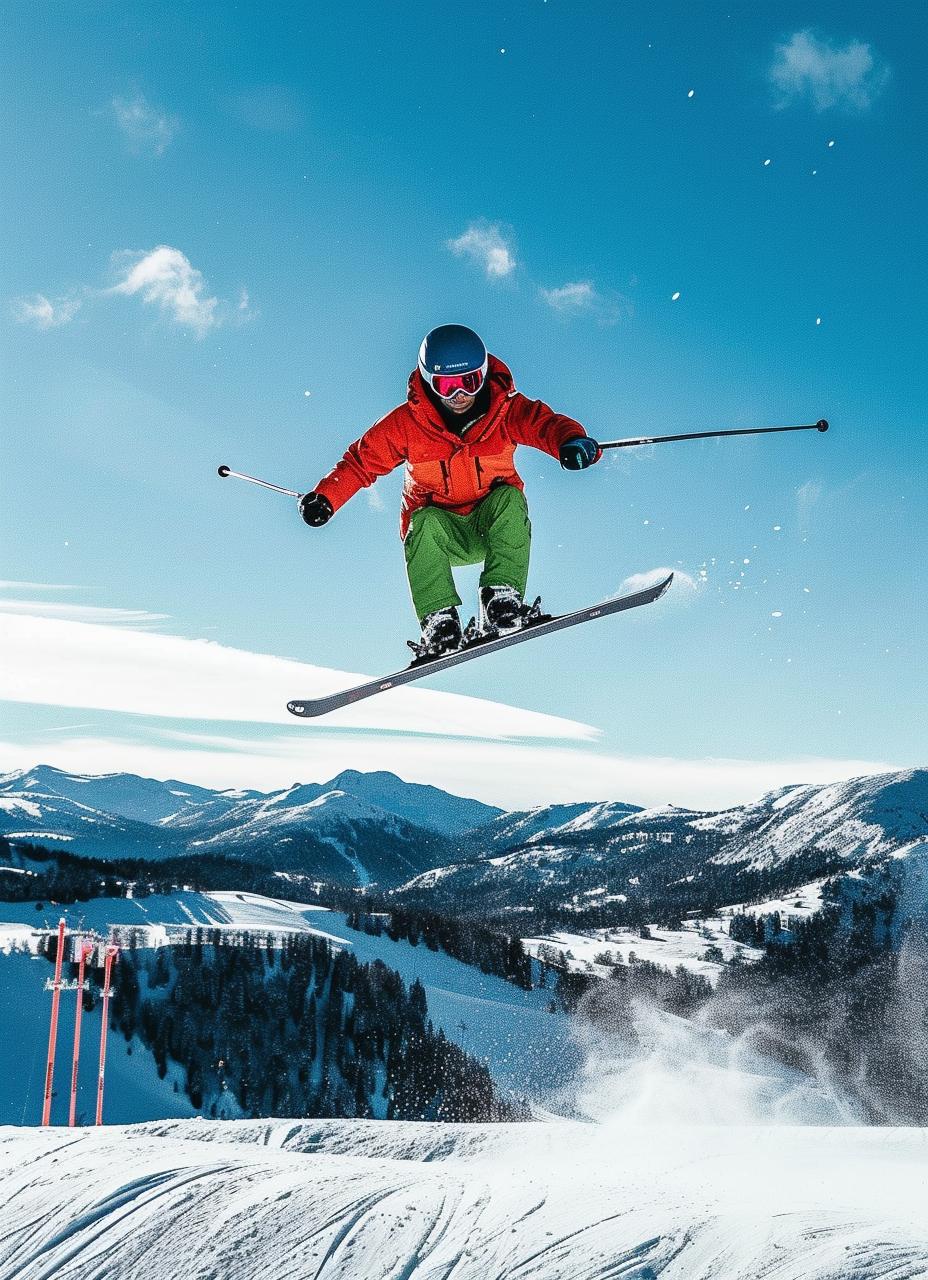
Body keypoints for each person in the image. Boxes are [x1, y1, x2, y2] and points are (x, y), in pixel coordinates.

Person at [299, 324, 601, 659]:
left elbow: (545, 425)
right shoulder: (406, 424)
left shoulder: (506, 411)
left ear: (483, 375)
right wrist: (327, 497)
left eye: (469, 382)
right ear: (429, 381)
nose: (459, 395)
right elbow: (361, 462)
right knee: (424, 520)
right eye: (446, 385)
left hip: (490, 525)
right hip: (441, 536)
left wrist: (571, 441)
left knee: (510, 499)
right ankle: (439, 621)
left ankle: (501, 599)